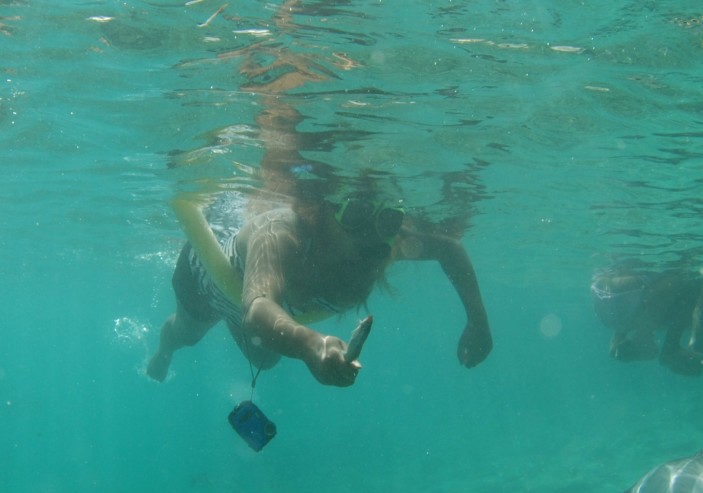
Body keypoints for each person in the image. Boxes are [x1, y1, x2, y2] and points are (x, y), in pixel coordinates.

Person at [148, 19, 492, 387]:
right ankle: (163, 351)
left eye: (389, 219)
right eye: (356, 213)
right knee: (187, 330)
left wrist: (477, 320)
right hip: (209, 275)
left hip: (256, 308)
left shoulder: (382, 241)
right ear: (322, 212)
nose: (372, 235)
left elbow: (448, 249)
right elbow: (260, 306)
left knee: (265, 360)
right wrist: (312, 344)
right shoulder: (279, 232)